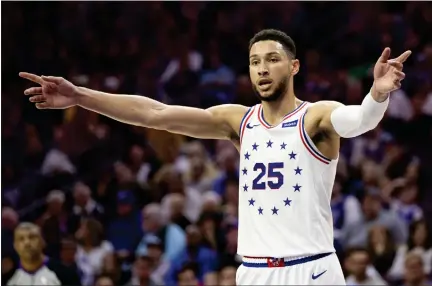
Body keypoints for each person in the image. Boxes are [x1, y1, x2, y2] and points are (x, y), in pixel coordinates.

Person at [19, 28, 410, 285]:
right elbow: (155, 113)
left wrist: (377, 94)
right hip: (253, 272)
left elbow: (359, 120)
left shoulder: (316, 116)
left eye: (271, 60)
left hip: (311, 269)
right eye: (255, 61)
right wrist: (80, 96)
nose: (261, 69)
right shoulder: (238, 121)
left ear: (293, 66)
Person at [5, 222, 81, 285]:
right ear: (15, 246)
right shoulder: (7, 278)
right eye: (21, 239)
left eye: (32, 237)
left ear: (43, 242)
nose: (27, 243)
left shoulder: (65, 274)